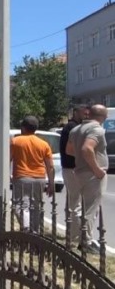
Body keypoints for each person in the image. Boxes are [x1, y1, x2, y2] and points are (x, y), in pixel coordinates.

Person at [66, 104, 109, 253]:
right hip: (92, 174)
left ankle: (77, 238)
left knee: (80, 206)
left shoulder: (76, 129)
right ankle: (87, 241)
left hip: (79, 171)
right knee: (91, 208)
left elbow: (69, 150)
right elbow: (87, 148)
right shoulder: (97, 129)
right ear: (104, 117)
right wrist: (97, 169)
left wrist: (82, 160)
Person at [10, 116, 54, 232]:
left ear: (23, 128)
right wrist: (51, 183)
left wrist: (7, 175)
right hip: (39, 177)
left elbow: (7, 160)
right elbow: (50, 166)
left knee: (20, 205)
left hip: (22, 176)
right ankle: (36, 231)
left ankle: (26, 227)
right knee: (36, 206)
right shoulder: (43, 144)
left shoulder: (15, 141)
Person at [59, 104, 89, 245]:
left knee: (73, 202)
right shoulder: (73, 127)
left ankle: (73, 233)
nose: (86, 116)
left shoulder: (72, 127)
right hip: (72, 168)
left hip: (71, 168)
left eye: (88, 113)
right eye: (84, 113)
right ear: (76, 112)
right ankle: (77, 238)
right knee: (76, 204)